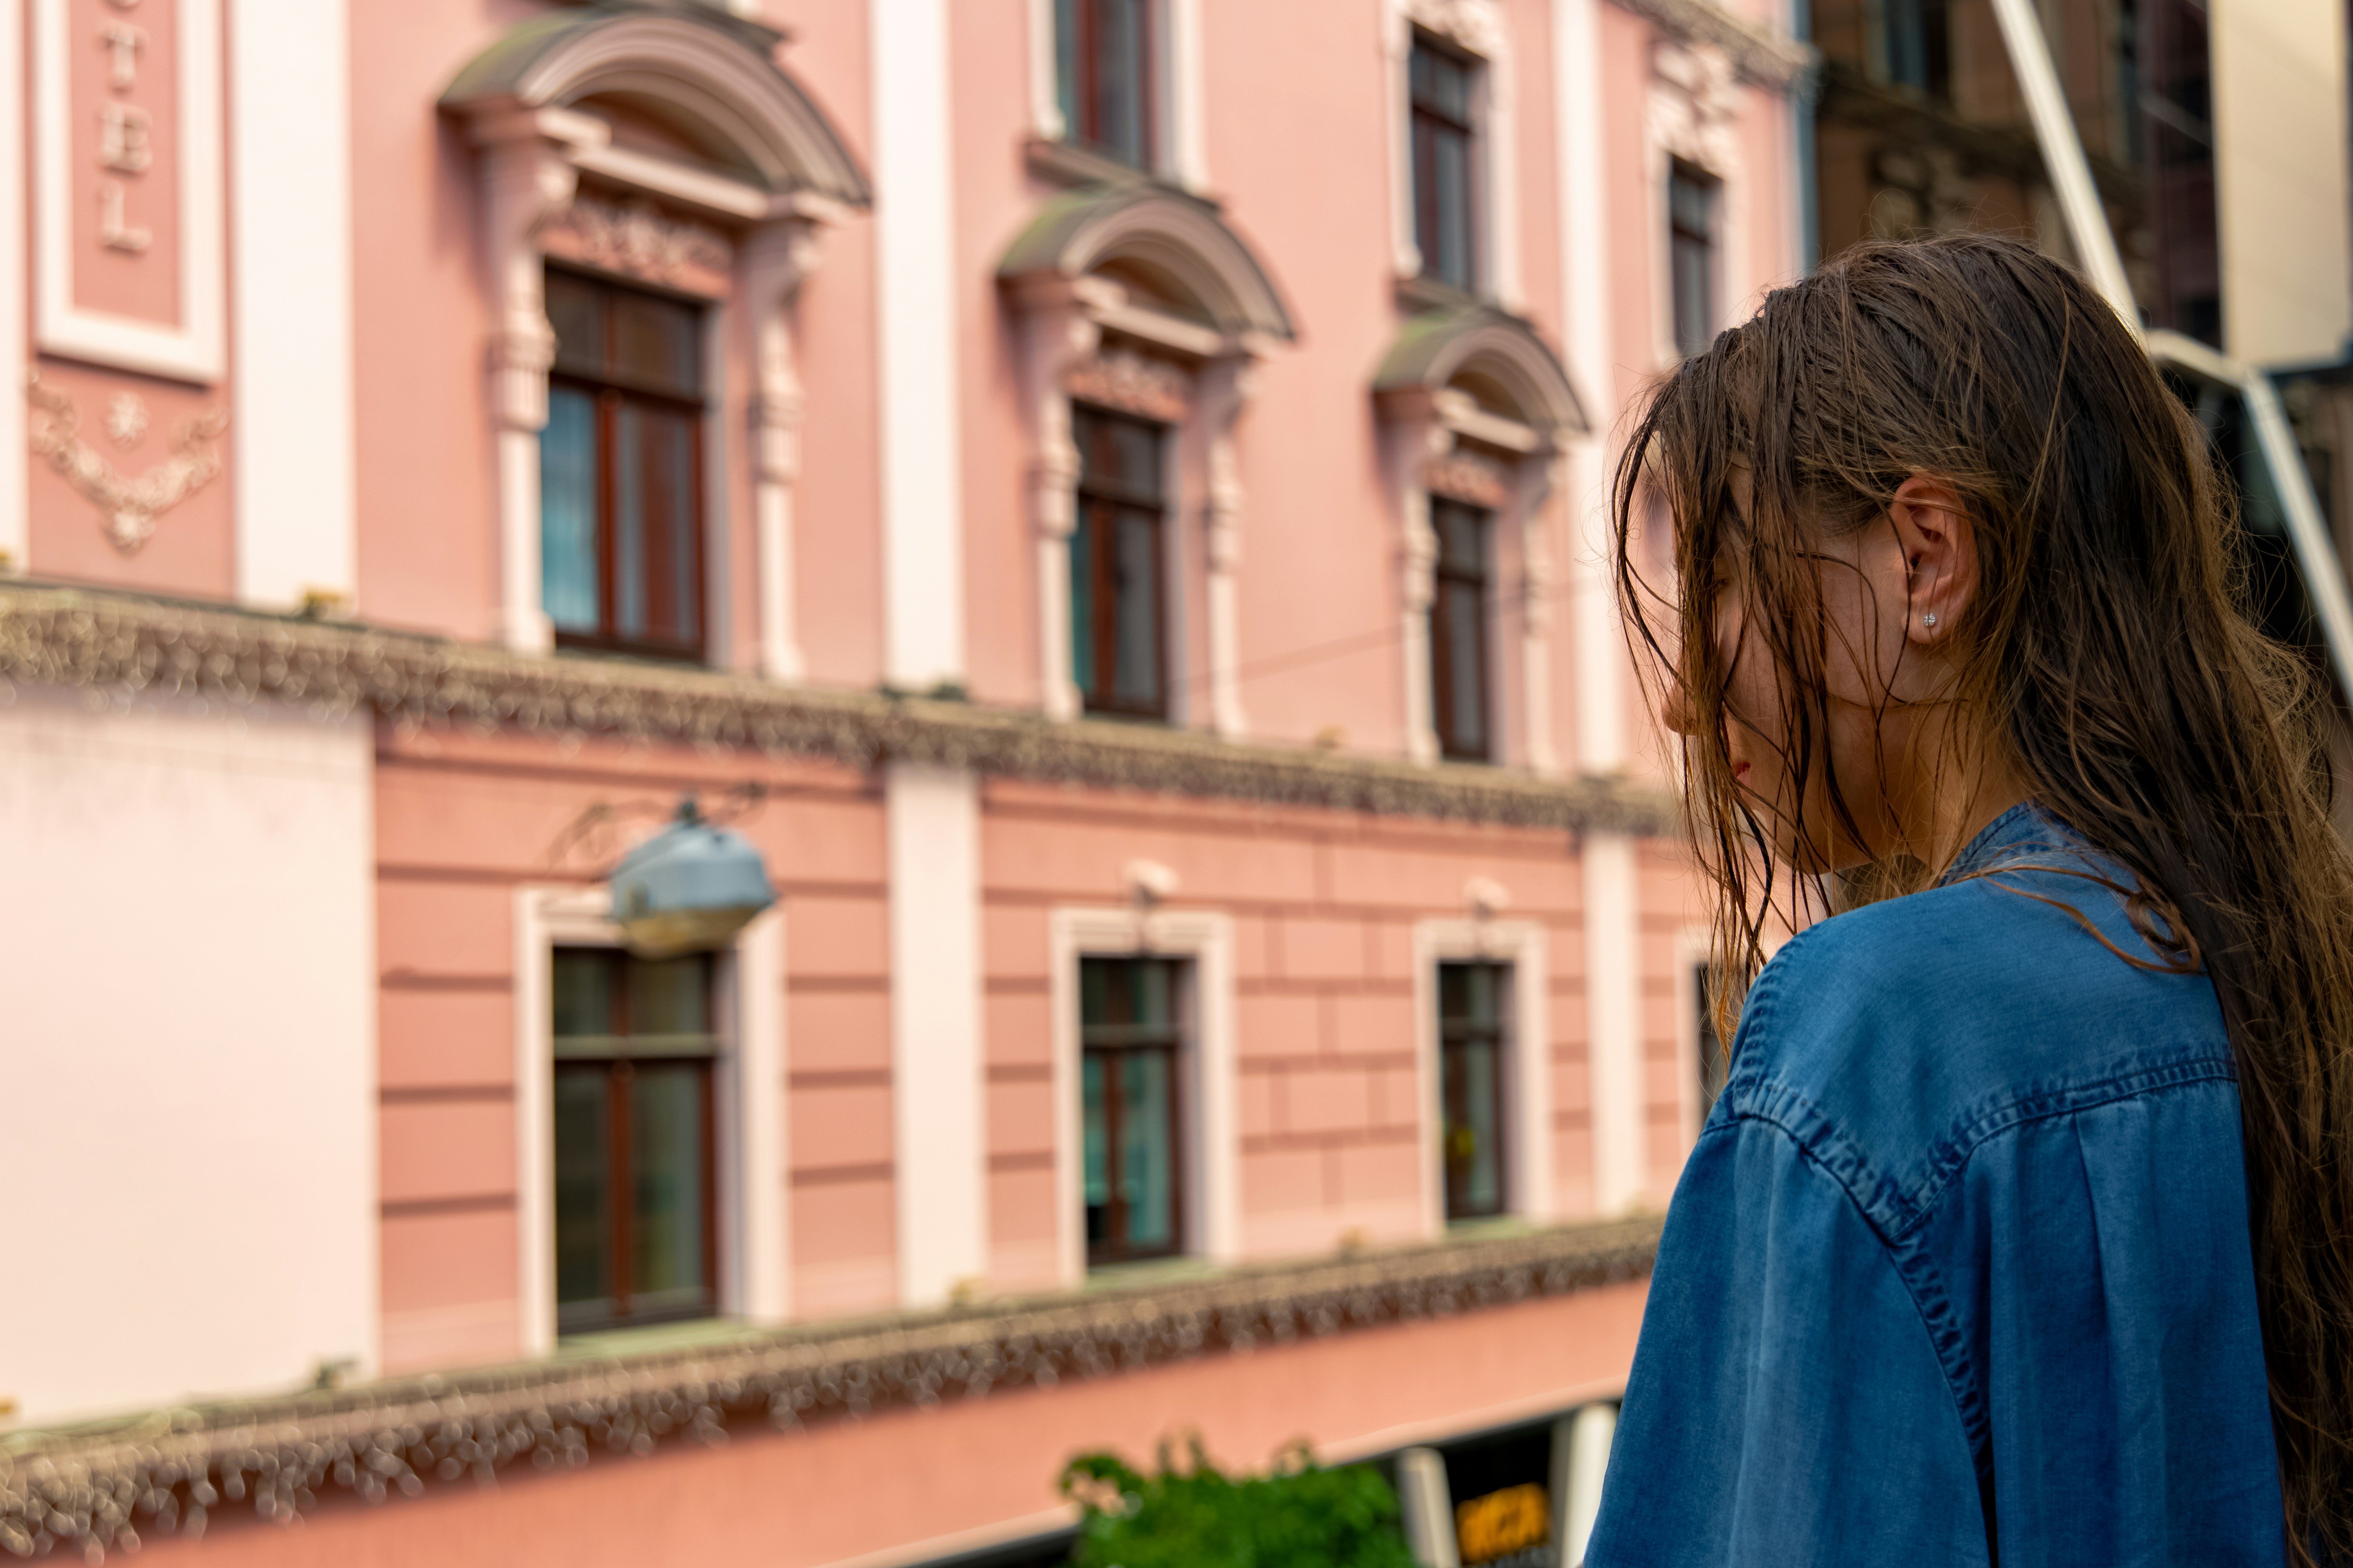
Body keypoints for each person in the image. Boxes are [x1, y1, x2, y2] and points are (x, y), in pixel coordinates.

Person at [1582, 235, 2353, 1567]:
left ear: (1925, 559)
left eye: (1716, 575)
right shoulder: (2296, 967)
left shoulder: (1875, 1030)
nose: (1677, 693)